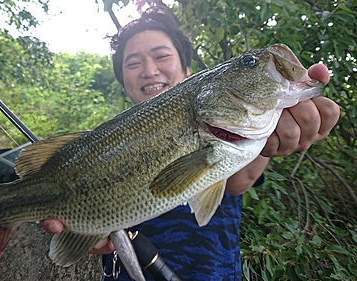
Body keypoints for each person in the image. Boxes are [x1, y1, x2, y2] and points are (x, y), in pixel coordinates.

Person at [41, 7, 340, 281]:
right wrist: (86, 228)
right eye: (133, 63)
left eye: (162, 56)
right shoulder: (98, 145)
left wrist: (272, 133)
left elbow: (239, 181)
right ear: (123, 82)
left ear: (188, 71)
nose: (149, 69)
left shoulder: (223, 130)